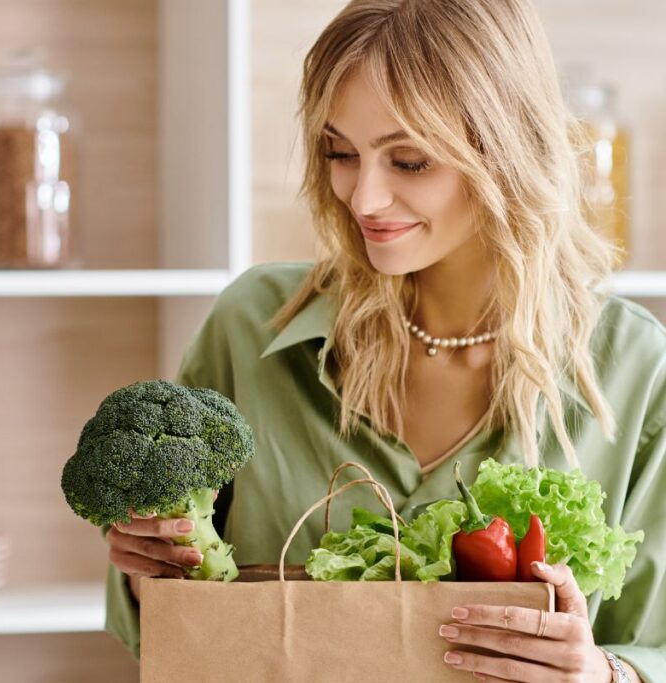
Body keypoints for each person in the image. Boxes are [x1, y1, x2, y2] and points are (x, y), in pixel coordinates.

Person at [103, 0, 666, 680]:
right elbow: (174, 632)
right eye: (341, 152)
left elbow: (654, 649)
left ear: (507, 150)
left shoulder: (635, 368)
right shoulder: (253, 325)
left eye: (409, 160)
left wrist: (602, 672)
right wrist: (150, 569)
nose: (363, 197)